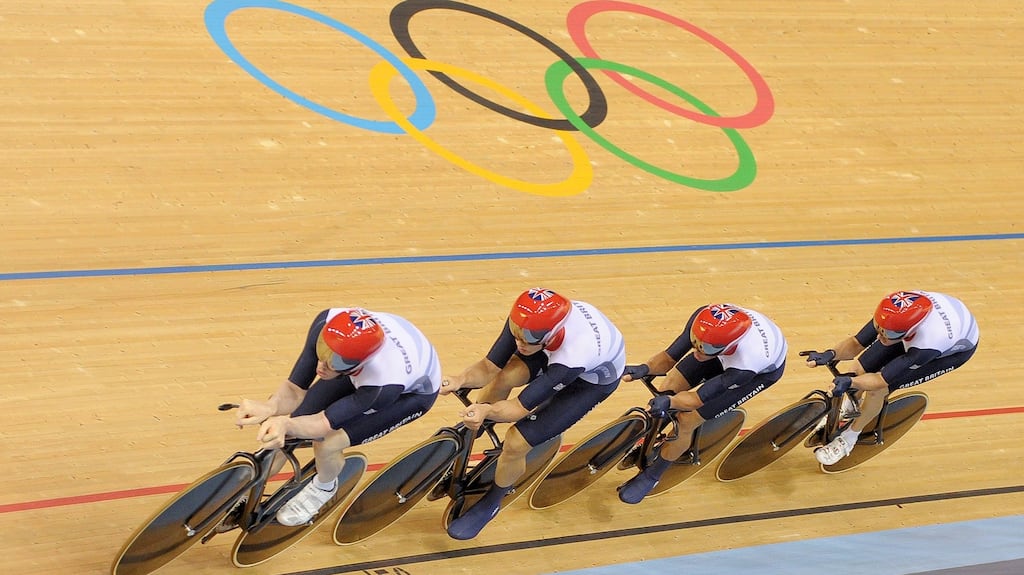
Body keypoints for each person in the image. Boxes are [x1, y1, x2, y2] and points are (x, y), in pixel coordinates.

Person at [440, 287, 626, 540]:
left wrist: (487, 409)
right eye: (517, 333)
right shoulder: (526, 324)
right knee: (505, 376)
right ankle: (468, 436)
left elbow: (518, 408)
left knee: (516, 442)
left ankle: (494, 500)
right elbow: (488, 368)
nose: (520, 342)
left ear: (554, 330)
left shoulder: (574, 353)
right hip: (551, 350)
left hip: (590, 381)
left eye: (529, 336)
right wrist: (459, 379)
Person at [235, 307, 441, 526]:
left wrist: (285, 423)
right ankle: (242, 493)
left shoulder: (383, 384)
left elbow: (323, 424)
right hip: (363, 365)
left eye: (336, 361)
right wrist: (270, 407)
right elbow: (295, 391)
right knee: (293, 422)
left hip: (409, 396)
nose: (321, 366)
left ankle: (325, 486)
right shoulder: (326, 321)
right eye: (323, 350)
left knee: (328, 443)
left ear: (357, 363)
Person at [617, 303, 788, 504]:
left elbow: (696, 399)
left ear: (729, 345)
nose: (698, 351)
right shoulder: (703, 321)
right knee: (671, 385)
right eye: (695, 342)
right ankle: (653, 432)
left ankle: (653, 475)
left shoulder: (746, 364)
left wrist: (670, 401)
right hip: (723, 351)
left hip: (756, 374)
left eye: (705, 347)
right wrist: (645, 368)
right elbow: (668, 358)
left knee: (686, 420)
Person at [804, 290, 978, 465]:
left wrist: (851, 382)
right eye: (879, 328)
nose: (881, 336)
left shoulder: (927, 345)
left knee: (877, 390)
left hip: (948, 353)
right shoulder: (891, 314)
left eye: (890, 333)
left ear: (909, 330)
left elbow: (880, 380)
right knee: (857, 369)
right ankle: (846, 411)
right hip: (921, 329)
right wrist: (831, 354)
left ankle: (849, 437)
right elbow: (857, 343)